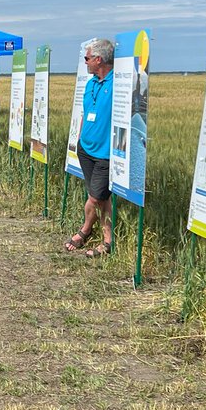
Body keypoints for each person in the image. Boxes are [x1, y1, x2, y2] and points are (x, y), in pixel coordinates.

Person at [65, 38, 115, 258]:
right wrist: (79, 140)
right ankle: (107, 239)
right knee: (101, 197)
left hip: (105, 152)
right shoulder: (91, 83)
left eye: (87, 58)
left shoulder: (116, 84)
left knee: (95, 198)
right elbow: (86, 113)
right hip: (87, 149)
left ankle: (85, 230)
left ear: (98, 59)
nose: (85, 62)